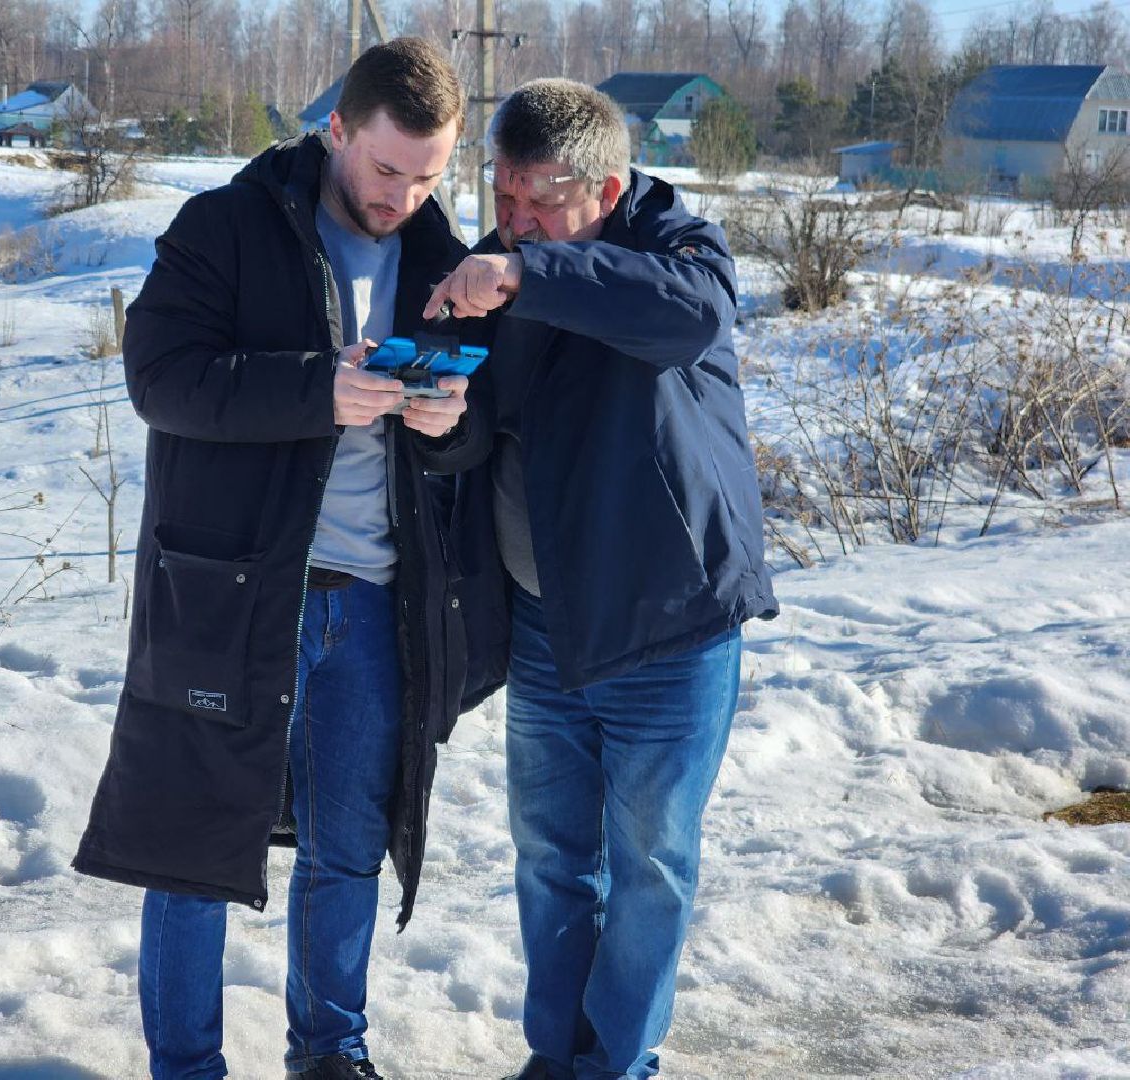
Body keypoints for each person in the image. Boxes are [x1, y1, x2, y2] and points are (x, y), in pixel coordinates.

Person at [73, 38, 478, 1080]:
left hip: (376, 603)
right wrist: (315, 392)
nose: (405, 196)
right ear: (336, 130)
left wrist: (451, 424)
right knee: (195, 854)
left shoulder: (442, 258)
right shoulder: (224, 225)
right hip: (238, 597)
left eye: (430, 176)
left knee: (349, 851)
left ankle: (331, 1054)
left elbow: (483, 437)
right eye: (388, 170)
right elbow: (162, 379)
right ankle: (187, 1066)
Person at [421, 79, 779, 1080]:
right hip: (545, 627)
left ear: (608, 186)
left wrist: (528, 272)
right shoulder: (500, 267)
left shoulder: (678, 248)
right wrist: (441, 424)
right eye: (501, 197)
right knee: (548, 861)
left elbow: (684, 317)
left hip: (669, 626)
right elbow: (484, 427)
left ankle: (617, 1064)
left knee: (651, 869)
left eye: (539, 201)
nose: (514, 222)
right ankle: (557, 1057)